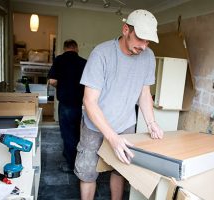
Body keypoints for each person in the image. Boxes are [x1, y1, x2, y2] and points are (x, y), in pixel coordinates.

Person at [74, 9, 164, 200]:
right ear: (125, 30)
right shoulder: (101, 54)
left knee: (121, 171)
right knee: (88, 172)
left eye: (148, 41)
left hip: (125, 124)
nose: (144, 46)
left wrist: (151, 123)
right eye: (140, 39)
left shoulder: (148, 57)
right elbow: (89, 101)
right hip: (94, 125)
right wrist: (112, 138)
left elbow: (145, 93)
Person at [48, 39, 86, 172]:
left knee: (67, 133)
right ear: (76, 48)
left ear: (65, 48)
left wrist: (63, 84)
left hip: (65, 104)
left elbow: (52, 81)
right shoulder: (83, 62)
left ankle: (71, 165)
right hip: (81, 105)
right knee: (77, 133)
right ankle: (74, 158)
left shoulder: (59, 60)